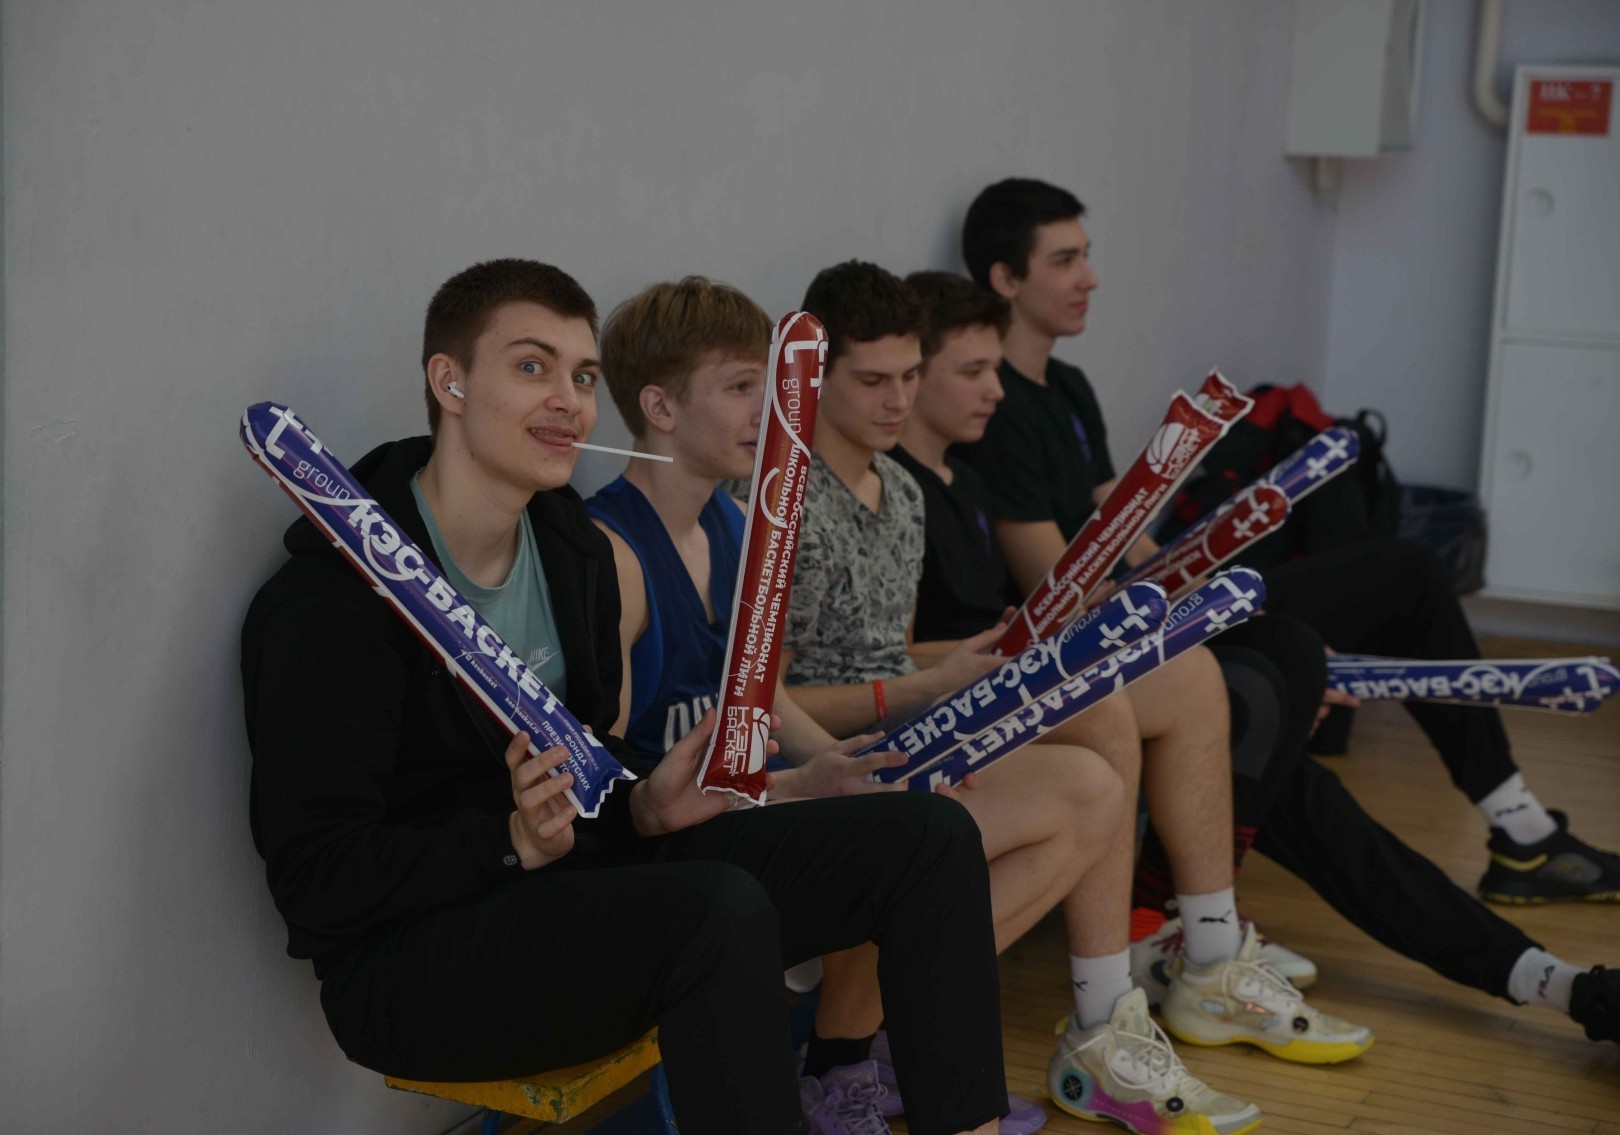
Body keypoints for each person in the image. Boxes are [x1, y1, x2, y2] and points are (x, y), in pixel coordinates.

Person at [239, 258, 1012, 1135]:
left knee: (927, 838)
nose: (568, 400)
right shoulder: (328, 603)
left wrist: (644, 803)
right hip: (411, 959)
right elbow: (316, 884)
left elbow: (587, 777)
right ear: (449, 382)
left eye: (582, 376)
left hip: (568, 884)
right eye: (532, 366)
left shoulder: (569, 546)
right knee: (716, 914)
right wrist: (507, 843)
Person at [785, 260, 1376, 1134]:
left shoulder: (900, 488)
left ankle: (1169, 976)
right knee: (1096, 713)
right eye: (873, 381)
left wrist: (991, 653)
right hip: (846, 746)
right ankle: (1071, 1019)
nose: (896, 400)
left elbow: (892, 645)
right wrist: (935, 682)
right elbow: (778, 694)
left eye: (908, 376)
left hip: (913, 708)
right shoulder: (784, 501)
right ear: (815, 379)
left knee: (1160, 684)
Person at [957, 176, 1620, 907]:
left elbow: (1124, 524)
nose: (1090, 278)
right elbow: (1059, 585)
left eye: (1087, 255)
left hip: (1156, 599)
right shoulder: (995, 410)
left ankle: (1521, 827)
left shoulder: (1068, 386)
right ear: (1004, 278)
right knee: (1398, 574)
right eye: (1064, 261)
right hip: (1113, 633)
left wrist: (1203, 584)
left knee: (1406, 573)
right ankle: (1521, 834)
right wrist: (1213, 610)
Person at [587, 275, 1124, 1135]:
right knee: (925, 839)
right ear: (659, 406)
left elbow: (759, 692)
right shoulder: (612, 552)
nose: (767, 410)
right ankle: (847, 1061)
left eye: (768, 386)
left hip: (760, 805)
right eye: (741, 388)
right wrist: (802, 783)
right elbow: (614, 786)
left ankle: (873, 1057)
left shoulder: (731, 526)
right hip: (687, 848)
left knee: (1029, 796)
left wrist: (836, 765)